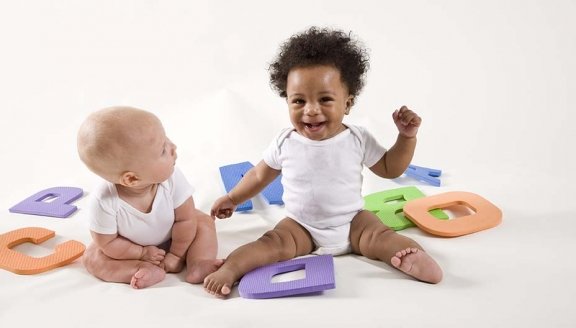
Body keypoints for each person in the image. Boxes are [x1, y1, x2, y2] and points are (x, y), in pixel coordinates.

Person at [204, 27, 443, 297]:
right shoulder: (285, 142)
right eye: (299, 100)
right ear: (287, 101)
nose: (311, 110)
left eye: (325, 99)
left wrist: (405, 138)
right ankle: (232, 268)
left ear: (347, 103)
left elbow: (390, 168)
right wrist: (233, 198)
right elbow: (259, 176)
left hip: (354, 223)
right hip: (300, 226)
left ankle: (410, 256)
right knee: (269, 244)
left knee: (382, 237)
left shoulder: (357, 138)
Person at [77, 106, 222, 289]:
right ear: (132, 178)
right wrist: (141, 253)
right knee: (92, 257)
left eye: (166, 140)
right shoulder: (104, 201)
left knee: (203, 222)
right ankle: (139, 269)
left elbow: (185, 219)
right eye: (162, 150)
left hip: (177, 237)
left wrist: (176, 255)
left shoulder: (172, 179)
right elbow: (108, 242)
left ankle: (199, 262)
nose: (173, 147)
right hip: (129, 250)